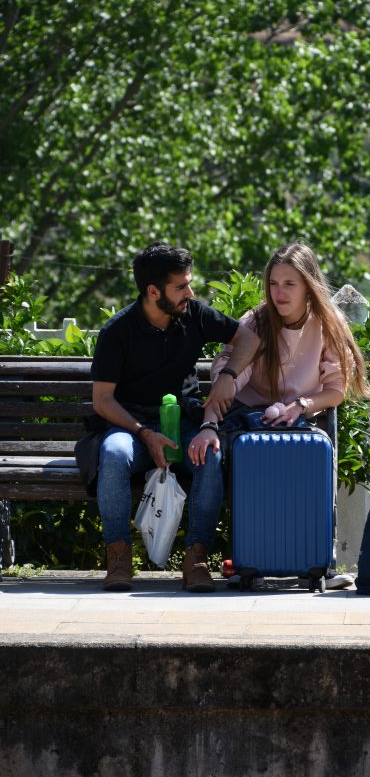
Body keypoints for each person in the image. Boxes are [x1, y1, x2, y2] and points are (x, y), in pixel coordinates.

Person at [82, 243, 259, 592]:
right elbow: (102, 401)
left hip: (186, 422)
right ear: (153, 291)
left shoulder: (193, 314)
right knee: (114, 454)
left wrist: (227, 376)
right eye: (181, 287)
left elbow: (249, 339)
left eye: (189, 284)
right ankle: (118, 558)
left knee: (211, 453)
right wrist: (144, 433)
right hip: (129, 427)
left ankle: (197, 558)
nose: (190, 294)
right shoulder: (117, 332)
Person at [211, 240, 370, 589]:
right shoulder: (256, 321)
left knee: (311, 462)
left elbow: (336, 389)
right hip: (249, 418)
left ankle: (314, 560)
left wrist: (300, 406)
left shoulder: (328, 324)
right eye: (273, 283)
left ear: (308, 286)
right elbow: (232, 367)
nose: (279, 293)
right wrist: (228, 381)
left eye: (289, 284)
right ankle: (253, 557)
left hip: (303, 417)